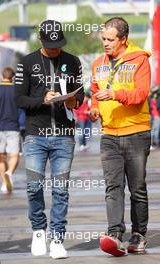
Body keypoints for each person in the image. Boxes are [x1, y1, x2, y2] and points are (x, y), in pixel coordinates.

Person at [15, 20, 84, 259]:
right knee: (34, 187)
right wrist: (43, 100)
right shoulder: (26, 62)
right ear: (40, 41)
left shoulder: (73, 61)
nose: (55, 49)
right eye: (50, 45)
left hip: (64, 136)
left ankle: (56, 237)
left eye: (58, 45)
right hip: (36, 135)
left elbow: (80, 97)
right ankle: (38, 230)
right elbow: (19, 100)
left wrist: (71, 100)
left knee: (60, 189)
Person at [90, 17, 151, 257]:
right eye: (103, 38)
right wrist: (95, 108)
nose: (105, 43)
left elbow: (141, 93)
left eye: (110, 39)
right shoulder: (98, 63)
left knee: (137, 188)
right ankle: (114, 234)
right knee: (113, 186)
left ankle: (138, 234)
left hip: (136, 131)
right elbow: (95, 92)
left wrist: (115, 93)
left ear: (123, 39)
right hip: (109, 135)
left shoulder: (139, 60)